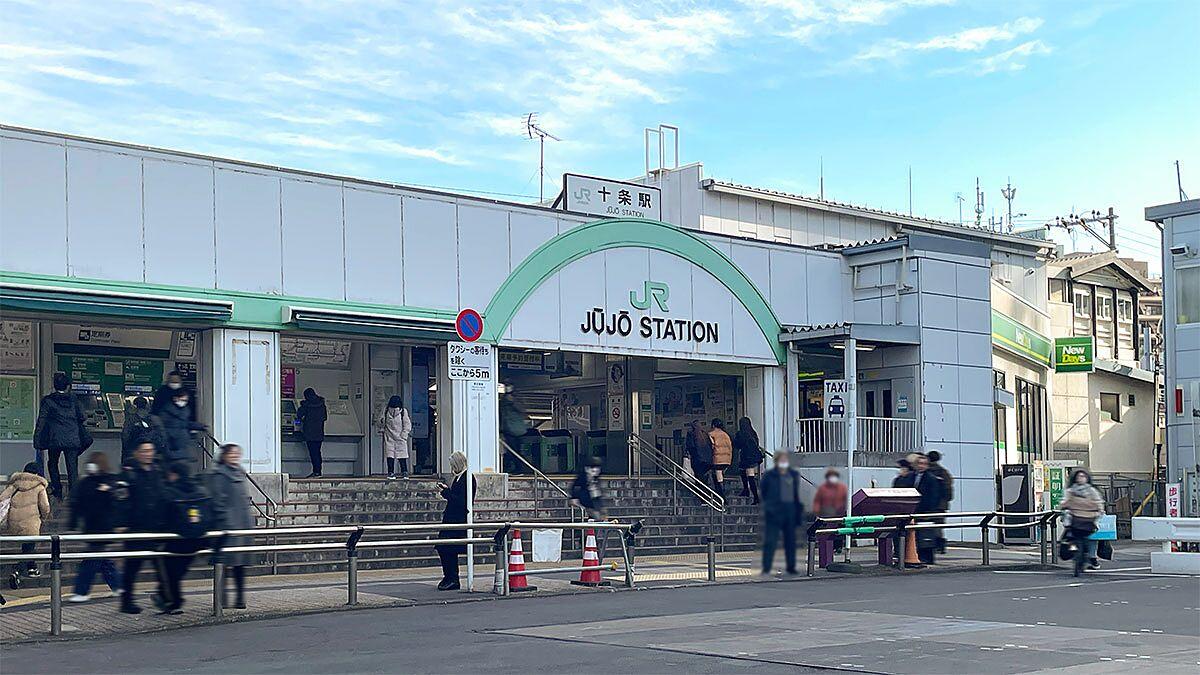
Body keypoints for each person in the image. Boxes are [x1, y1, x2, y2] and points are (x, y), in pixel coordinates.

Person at [67, 453, 123, 602]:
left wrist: (106, 491)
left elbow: (115, 503)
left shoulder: (109, 481)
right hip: (91, 527)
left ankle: (81, 591)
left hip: (104, 527)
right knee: (103, 560)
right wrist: (73, 523)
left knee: (92, 560)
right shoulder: (86, 483)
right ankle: (118, 586)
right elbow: (77, 504)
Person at [119, 441, 167, 614]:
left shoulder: (157, 471)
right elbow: (121, 500)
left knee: (162, 567)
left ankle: (165, 598)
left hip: (156, 527)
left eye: (150, 450)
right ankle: (126, 601)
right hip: (136, 528)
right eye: (145, 451)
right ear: (137, 453)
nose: (148, 454)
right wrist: (122, 523)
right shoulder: (129, 473)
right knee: (132, 568)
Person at [207, 443, 254, 610]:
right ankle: (221, 600)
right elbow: (217, 500)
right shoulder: (219, 474)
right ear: (224, 455)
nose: (235, 456)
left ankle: (240, 598)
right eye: (231, 453)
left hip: (242, 525)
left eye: (237, 453)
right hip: (227, 526)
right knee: (223, 564)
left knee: (240, 565)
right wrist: (224, 521)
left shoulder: (240, 472)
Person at [33, 371, 92, 500]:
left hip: (54, 439)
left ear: (54, 386)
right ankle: (73, 495)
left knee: (53, 463)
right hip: (72, 439)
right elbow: (83, 416)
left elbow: (41, 421)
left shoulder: (48, 401)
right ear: (68, 386)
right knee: (72, 467)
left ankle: (57, 491)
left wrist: (37, 439)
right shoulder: (74, 399)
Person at [159, 461, 208, 614]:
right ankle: (168, 598)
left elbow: (164, 516)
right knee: (177, 571)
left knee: (171, 571)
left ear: (175, 474)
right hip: (196, 539)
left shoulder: (170, 491)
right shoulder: (199, 489)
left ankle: (173, 601)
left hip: (177, 539)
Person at [2, 462, 51, 585]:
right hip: (31, 522)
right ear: (37, 473)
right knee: (29, 546)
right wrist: (43, 518)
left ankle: (32, 568)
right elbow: (45, 506)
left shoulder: (15, 484)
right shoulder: (39, 487)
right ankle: (17, 571)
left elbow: (2, 498)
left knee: (27, 546)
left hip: (14, 522)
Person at [759, 451, 803, 575]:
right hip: (774, 512)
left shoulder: (793, 475)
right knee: (770, 541)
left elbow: (795, 494)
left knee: (790, 541)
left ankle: (791, 566)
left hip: (790, 512)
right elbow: (764, 492)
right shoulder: (769, 475)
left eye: (785, 460)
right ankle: (766, 566)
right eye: (781, 460)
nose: (784, 462)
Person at [435, 451, 472, 591]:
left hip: (457, 520)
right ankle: (449, 576)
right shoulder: (458, 478)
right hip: (452, 519)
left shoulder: (467, 478)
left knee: (448, 548)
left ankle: (452, 578)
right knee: (444, 548)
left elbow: (462, 501)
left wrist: (446, 493)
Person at [1060, 469, 1104, 573]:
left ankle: (1090, 556)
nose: (1081, 478)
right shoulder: (1070, 491)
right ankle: (1074, 552)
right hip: (1074, 520)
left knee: (1091, 538)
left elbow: (1099, 503)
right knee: (1069, 537)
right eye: (1079, 476)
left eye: (1083, 476)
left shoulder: (1092, 491)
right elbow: (1064, 502)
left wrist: (1099, 511)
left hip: (1088, 520)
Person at [155, 388, 205, 465]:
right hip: (172, 449)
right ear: (175, 398)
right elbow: (164, 430)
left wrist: (199, 426)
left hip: (182, 448)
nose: (184, 402)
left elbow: (185, 424)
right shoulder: (166, 413)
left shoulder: (184, 411)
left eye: (185, 400)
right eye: (182, 399)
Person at [911, 454, 945, 564]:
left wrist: (929, 511)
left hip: (926, 511)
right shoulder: (912, 476)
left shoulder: (931, 478)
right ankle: (918, 557)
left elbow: (934, 496)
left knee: (926, 537)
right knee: (918, 536)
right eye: (919, 463)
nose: (921, 466)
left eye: (923, 464)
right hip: (915, 511)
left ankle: (927, 558)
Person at [925, 450, 954, 554]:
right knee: (938, 526)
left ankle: (929, 544)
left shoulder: (927, 472)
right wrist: (946, 500)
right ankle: (940, 546)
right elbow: (948, 489)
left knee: (925, 525)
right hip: (941, 505)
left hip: (929, 503)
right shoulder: (943, 472)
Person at [121, 396, 164, 466]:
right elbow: (161, 436)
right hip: (151, 454)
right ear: (146, 405)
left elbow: (125, 436)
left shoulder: (131, 419)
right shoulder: (154, 419)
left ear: (135, 406)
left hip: (134, 453)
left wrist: (128, 451)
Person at [296, 388, 327, 478]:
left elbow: (299, 415)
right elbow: (324, 417)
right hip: (319, 432)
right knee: (317, 452)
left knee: (313, 453)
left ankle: (316, 472)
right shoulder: (322, 405)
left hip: (309, 433)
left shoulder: (306, 405)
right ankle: (318, 471)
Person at [379, 395, 413, 479]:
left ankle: (392, 473)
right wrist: (404, 435)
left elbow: (381, 422)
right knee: (400, 456)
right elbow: (407, 425)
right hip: (397, 437)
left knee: (391, 455)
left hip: (390, 437)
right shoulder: (403, 411)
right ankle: (403, 472)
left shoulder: (387, 410)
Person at [733, 417, 763, 505]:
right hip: (753, 458)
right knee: (750, 476)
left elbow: (737, 445)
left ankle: (751, 494)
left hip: (746, 457)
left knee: (746, 474)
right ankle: (751, 493)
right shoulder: (753, 433)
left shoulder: (741, 433)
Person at [570, 456, 606, 520]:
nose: (595, 470)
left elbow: (597, 496)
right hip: (587, 503)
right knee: (596, 515)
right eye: (593, 468)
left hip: (594, 502)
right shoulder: (582, 479)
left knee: (599, 515)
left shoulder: (596, 480)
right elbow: (576, 489)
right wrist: (574, 498)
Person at [708, 418, 733, 499]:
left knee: (718, 476)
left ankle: (722, 497)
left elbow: (712, 446)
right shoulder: (726, 435)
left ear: (713, 425)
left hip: (717, 459)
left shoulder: (711, 434)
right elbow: (730, 447)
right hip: (727, 460)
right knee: (719, 475)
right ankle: (720, 493)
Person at [684, 421, 714, 490]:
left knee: (698, 477)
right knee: (705, 477)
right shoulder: (705, 434)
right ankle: (705, 491)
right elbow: (710, 445)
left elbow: (691, 446)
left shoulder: (691, 434)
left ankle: (700, 492)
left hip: (697, 459)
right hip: (708, 460)